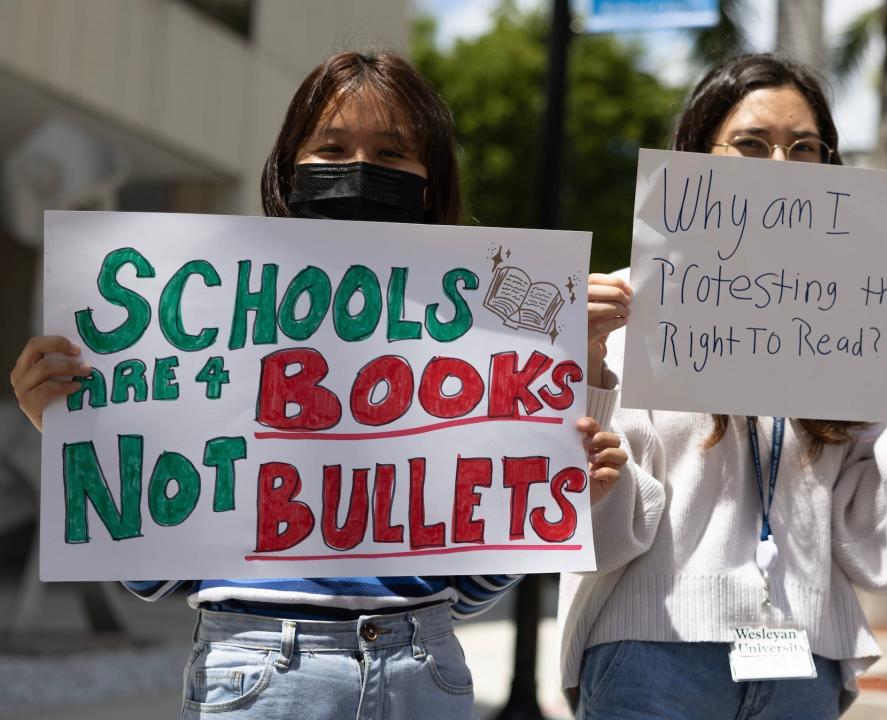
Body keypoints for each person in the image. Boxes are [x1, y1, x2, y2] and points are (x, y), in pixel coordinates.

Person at [10, 51, 626, 719]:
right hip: (260, 671)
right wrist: (72, 436)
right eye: (332, 146)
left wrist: (548, 496)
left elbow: (471, 592)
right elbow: (157, 577)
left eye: (392, 153)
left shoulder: (472, 342)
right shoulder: (220, 328)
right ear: (288, 168)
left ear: (430, 183)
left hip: (426, 670)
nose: (360, 169)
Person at [560, 53, 887, 719]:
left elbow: (885, 557)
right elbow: (602, 534)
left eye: (804, 147)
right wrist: (592, 365)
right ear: (697, 154)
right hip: (656, 657)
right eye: (751, 143)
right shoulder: (627, 313)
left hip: (804, 668)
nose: (779, 166)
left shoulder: (858, 327)